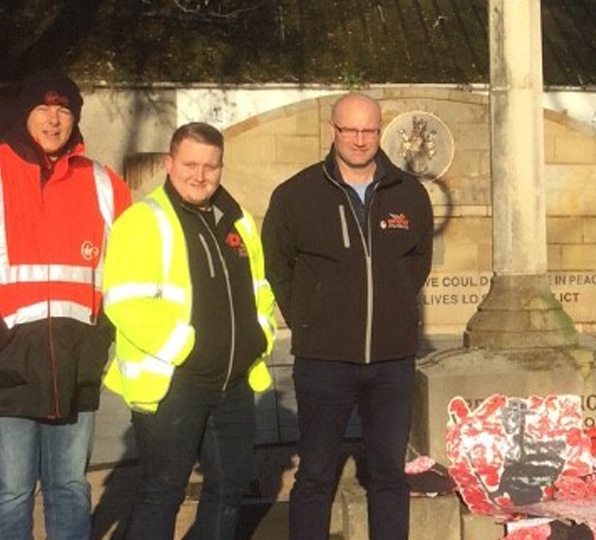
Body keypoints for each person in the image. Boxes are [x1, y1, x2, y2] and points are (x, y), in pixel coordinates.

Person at [262, 92, 433, 540]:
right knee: (316, 475)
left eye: (370, 131)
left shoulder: (408, 194)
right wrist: (307, 317)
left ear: (381, 132)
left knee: (389, 476)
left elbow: (417, 263)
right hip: (324, 361)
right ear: (333, 131)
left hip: (391, 362)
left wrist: (392, 310)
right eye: (350, 130)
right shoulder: (296, 195)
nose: (360, 140)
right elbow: (277, 266)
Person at [101, 122, 276, 539]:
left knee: (229, 489)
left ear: (221, 167)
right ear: (169, 163)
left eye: (210, 166)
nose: (200, 175)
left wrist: (261, 335)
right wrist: (188, 349)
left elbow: (259, 288)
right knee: (162, 491)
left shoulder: (238, 221)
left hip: (233, 384)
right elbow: (125, 303)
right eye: (190, 164)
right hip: (175, 383)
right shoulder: (144, 220)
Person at [0, 70, 131, 540]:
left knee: (70, 488)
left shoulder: (103, 183)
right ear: (23, 113)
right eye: (43, 108)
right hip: (7, 369)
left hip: (77, 366)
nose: (53, 120)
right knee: (11, 492)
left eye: (63, 109)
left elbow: (128, 271)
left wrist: (102, 341)